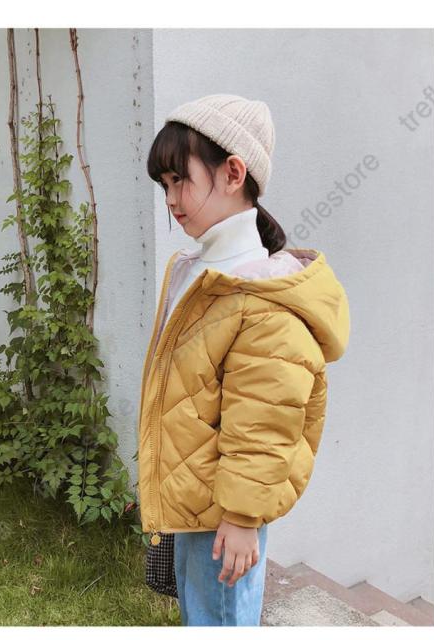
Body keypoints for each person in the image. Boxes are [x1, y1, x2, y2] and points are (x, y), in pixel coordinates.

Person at [138, 93, 351, 626]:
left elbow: (264, 423)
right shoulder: (194, 271)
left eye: (180, 180)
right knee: (199, 614)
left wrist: (241, 518)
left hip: (226, 514)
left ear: (233, 173)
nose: (171, 199)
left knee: (221, 620)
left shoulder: (262, 298)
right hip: (197, 498)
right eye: (164, 185)